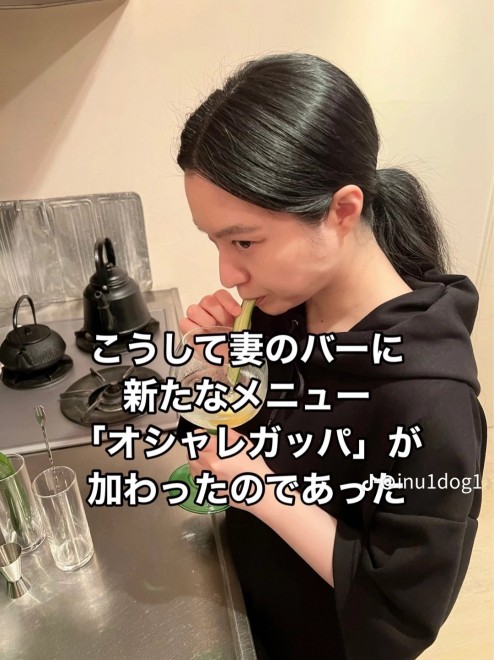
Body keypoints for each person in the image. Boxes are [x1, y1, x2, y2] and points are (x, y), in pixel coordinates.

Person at [174, 53, 487, 659]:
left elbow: (403, 607)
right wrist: (217, 373)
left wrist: (260, 491)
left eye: (244, 241)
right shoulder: (281, 309)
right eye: (216, 242)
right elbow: (249, 439)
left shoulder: (430, 402)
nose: (227, 273)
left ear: (342, 210)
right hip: (254, 605)